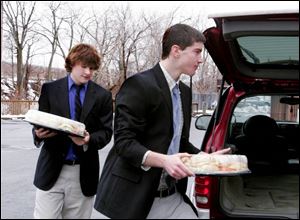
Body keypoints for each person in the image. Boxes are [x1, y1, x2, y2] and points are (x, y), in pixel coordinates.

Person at [94, 24, 230, 219]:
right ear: (176, 50)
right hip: (135, 200)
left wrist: (206, 158)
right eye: (197, 52)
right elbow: (124, 143)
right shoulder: (139, 85)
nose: (201, 59)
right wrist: (165, 161)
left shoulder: (184, 91)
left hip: (172, 197)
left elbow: (178, 142)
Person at [32, 43, 113, 219]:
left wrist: (89, 139)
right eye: (84, 66)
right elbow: (39, 122)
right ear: (72, 63)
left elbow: (107, 132)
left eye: (92, 68)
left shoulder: (103, 96)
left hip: (83, 173)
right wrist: (37, 134)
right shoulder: (50, 90)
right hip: (51, 170)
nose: (88, 72)